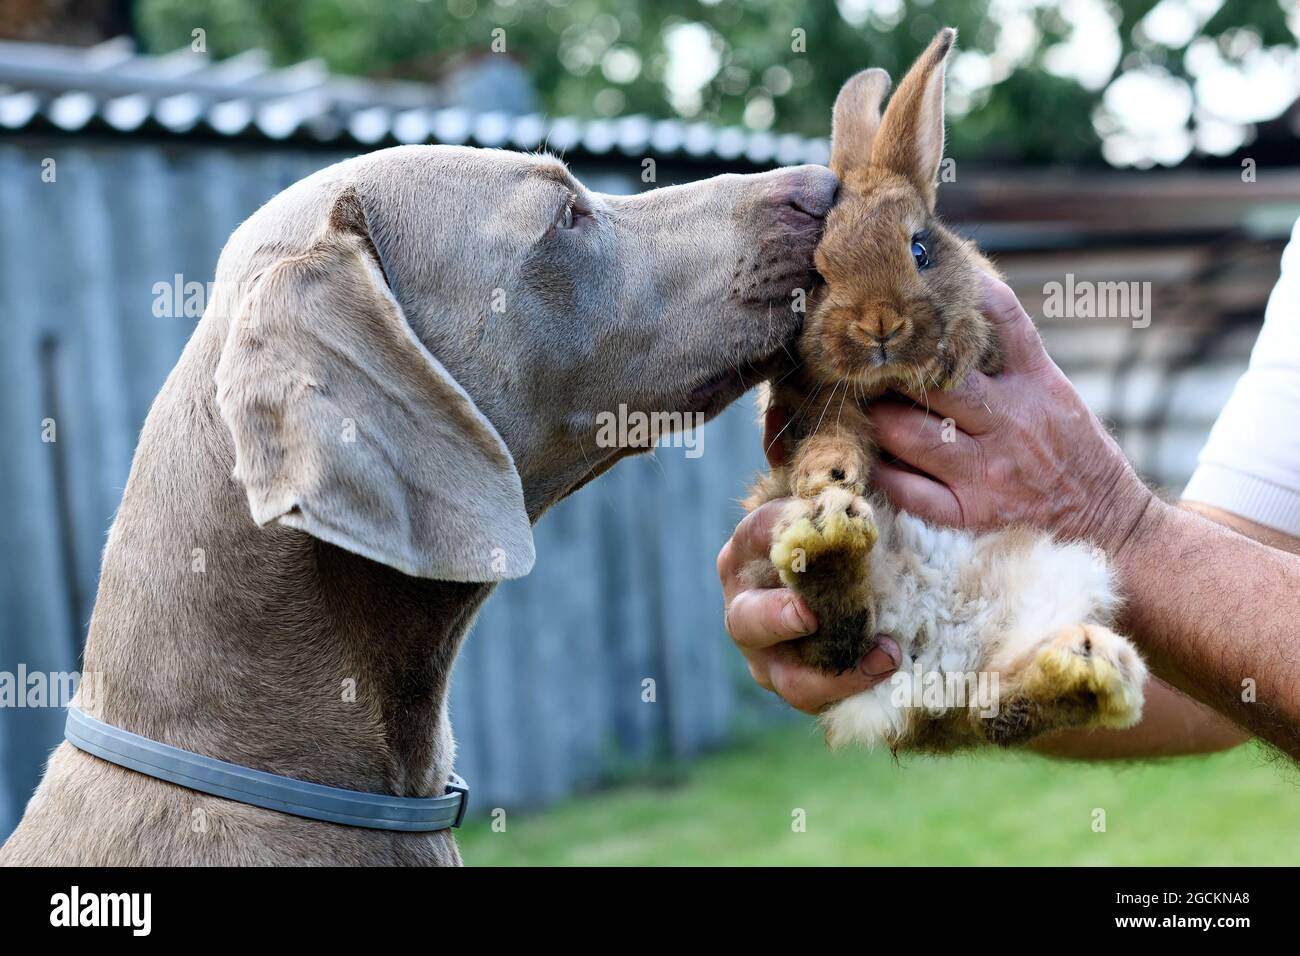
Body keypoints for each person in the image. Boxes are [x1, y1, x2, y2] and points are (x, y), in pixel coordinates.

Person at [718, 219, 1300, 760]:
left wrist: (1113, 521)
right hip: (923, 592)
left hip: (979, 580)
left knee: (1073, 572)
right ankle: (886, 616)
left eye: (917, 255)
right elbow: (1233, 650)